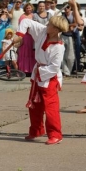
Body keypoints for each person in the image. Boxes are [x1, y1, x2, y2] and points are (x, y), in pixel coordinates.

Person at [13, 16, 69, 145]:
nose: (46, 25)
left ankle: (55, 134)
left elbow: (54, 67)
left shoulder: (58, 47)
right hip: (38, 73)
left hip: (49, 77)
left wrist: (41, 73)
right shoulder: (43, 31)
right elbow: (26, 21)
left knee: (51, 107)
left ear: (55, 29)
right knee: (35, 105)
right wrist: (20, 35)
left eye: (50, 24)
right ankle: (36, 130)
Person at [17, 3, 35, 76]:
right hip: (25, 36)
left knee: (31, 52)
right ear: (25, 9)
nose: (28, 9)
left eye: (30, 8)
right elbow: (20, 27)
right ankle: (23, 69)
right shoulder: (22, 16)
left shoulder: (33, 16)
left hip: (32, 36)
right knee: (24, 53)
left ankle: (31, 69)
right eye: (27, 8)